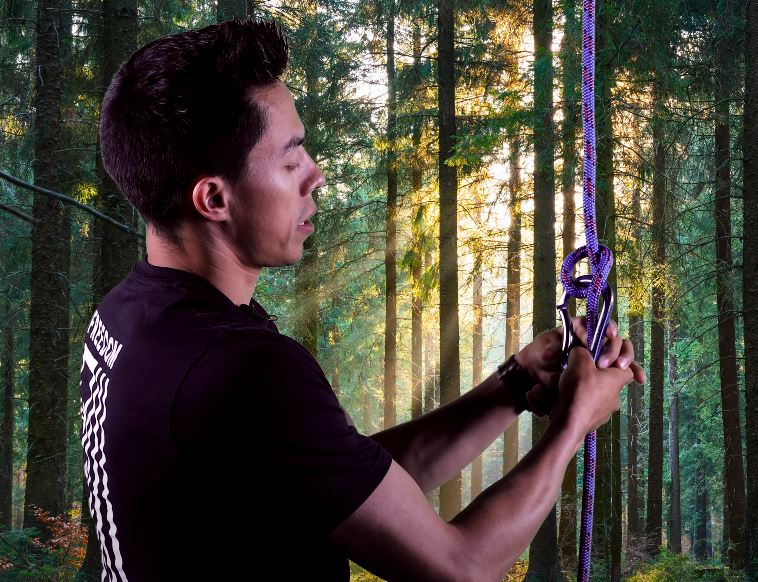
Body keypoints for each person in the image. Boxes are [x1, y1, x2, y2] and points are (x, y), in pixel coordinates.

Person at [80, 17, 645, 582]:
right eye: (290, 160)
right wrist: (572, 424)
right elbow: (462, 569)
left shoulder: (125, 319)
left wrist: (513, 385)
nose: (316, 175)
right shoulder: (246, 370)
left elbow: (339, 478)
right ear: (213, 199)